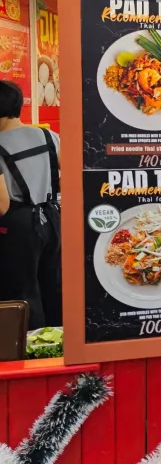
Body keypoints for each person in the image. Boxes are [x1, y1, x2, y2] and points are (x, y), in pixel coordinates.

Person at [0, 80, 62, 329]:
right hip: (52, 217)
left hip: (18, 226)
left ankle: (28, 346)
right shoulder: (49, 136)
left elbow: (1, 205)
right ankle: (59, 341)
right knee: (53, 284)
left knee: (22, 292)